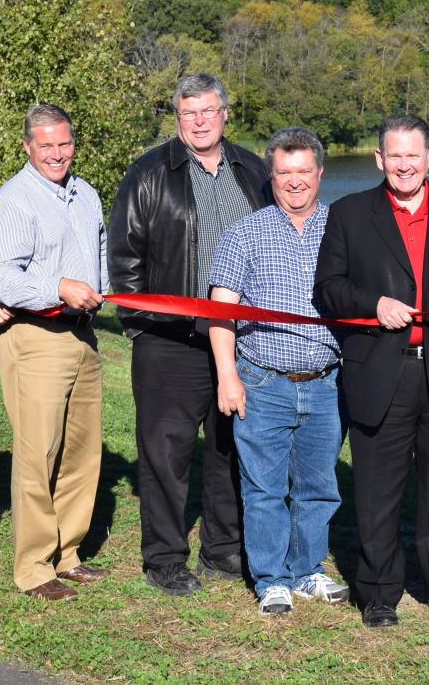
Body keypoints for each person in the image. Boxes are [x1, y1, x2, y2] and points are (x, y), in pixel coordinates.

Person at [314, 114, 429, 627]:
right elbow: (327, 288)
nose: (403, 165)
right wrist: (373, 303)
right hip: (381, 371)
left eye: (412, 155)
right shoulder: (350, 214)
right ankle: (378, 593)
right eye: (393, 156)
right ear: (379, 159)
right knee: (377, 490)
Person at [108, 74, 268, 595]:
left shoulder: (253, 170)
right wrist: (143, 330)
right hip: (169, 340)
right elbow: (125, 255)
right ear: (176, 119)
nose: (199, 121)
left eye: (208, 111)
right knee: (166, 453)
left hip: (240, 337)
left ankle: (223, 550)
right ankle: (165, 557)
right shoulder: (150, 172)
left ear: (225, 114)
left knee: (229, 447)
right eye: (188, 112)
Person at [206, 127, 347, 616]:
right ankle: (271, 578)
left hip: (326, 382)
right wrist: (228, 376)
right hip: (262, 380)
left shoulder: (343, 228)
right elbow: (220, 312)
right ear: (272, 176)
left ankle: (307, 569)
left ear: (319, 174)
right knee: (264, 486)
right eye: (284, 173)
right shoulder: (244, 233)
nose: (294, 182)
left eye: (303, 172)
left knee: (318, 485)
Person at [0, 104, 109, 601]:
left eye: (64, 143)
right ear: (27, 147)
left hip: (84, 337)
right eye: (45, 145)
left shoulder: (87, 194)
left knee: (82, 453)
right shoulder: (14, 200)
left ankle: (68, 554)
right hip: (35, 336)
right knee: (39, 454)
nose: (56, 154)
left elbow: (99, 259)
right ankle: (34, 567)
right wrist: (59, 287)